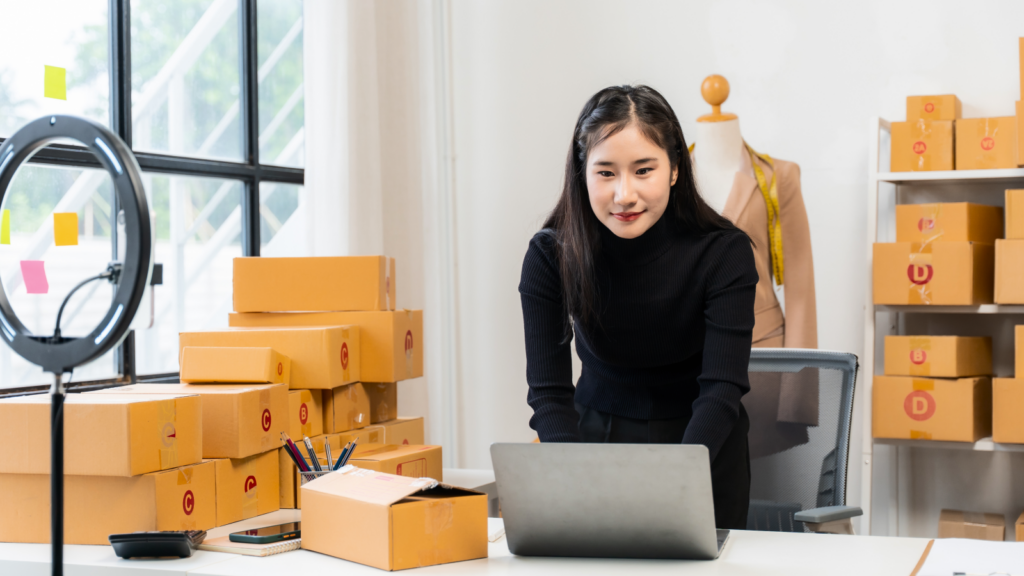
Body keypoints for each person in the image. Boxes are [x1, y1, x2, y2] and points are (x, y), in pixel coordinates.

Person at [518, 85, 758, 529]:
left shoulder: (724, 253)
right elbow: (548, 392)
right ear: (581, 172)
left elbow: (722, 389)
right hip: (592, 448)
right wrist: (569, 479)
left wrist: (679, 480)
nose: (624, 195)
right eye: (605, 173)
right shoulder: (550, 256)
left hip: (703, 442)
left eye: (643, 170)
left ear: (673, 170)